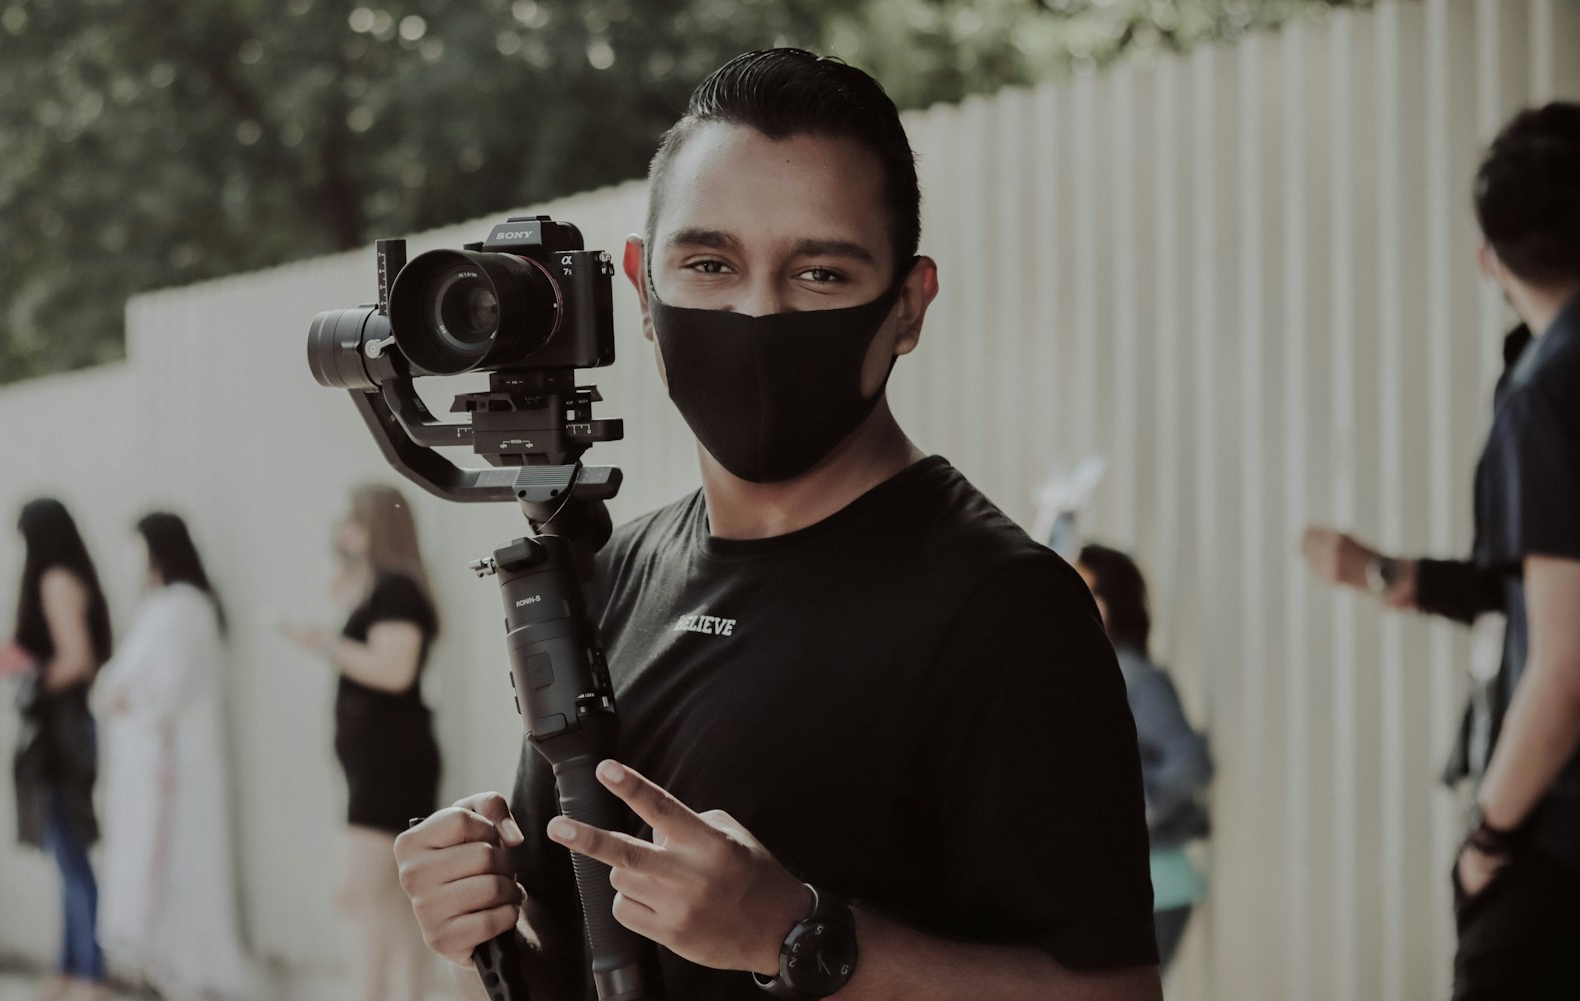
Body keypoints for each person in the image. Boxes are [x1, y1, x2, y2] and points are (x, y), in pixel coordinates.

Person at [395, 49, 1159, 1001]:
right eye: (709, 264)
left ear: (908, 306)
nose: (756, 311)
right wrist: (485, 917)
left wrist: (800, 936)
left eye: (821, 274)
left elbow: (1113, 994)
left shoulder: (1003, 609)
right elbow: (585, 955)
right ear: (642, 286)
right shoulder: (614, 569)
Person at [1302, 102, 1580, 999]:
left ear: (1488, 254)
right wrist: (1389, 574)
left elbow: (1566, 660)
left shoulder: (1550, 387)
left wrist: (1489, 837)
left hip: (1559, 843)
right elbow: (1528, 587)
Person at [281, 484, 441, 1001]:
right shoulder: (385, 588)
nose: (343, 532)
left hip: (389, 765)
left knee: (360, 894)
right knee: (396, 898)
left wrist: (324, 643)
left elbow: (395, 670)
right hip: (385, 760)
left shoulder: (396, 589)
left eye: (352, 521)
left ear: (376, 528)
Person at [90, 513, 251, 1000]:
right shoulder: (167, 607)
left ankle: (185, 973)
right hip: (159, 767)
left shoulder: (181, 608)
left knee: (178, 871)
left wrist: (118, 696)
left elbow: (148, 692)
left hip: (173, 771)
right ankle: (168, 969)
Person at [1074, 544, 1212, 974]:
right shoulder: (1091, 671)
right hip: (1120, 884)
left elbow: (1190, 763)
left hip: (1156, 883)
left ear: (1114, 601)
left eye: (1085, 590)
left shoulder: (1133, 674)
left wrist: (1133, 810)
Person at [10, 498, 112, 999]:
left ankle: (89, 973)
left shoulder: (54, 579)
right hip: (69, 730)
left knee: (71, 855)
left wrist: (33, 679)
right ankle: (71, 968)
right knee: (66, 854)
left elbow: (78, 660)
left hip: (61, 734)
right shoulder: (74, 575)